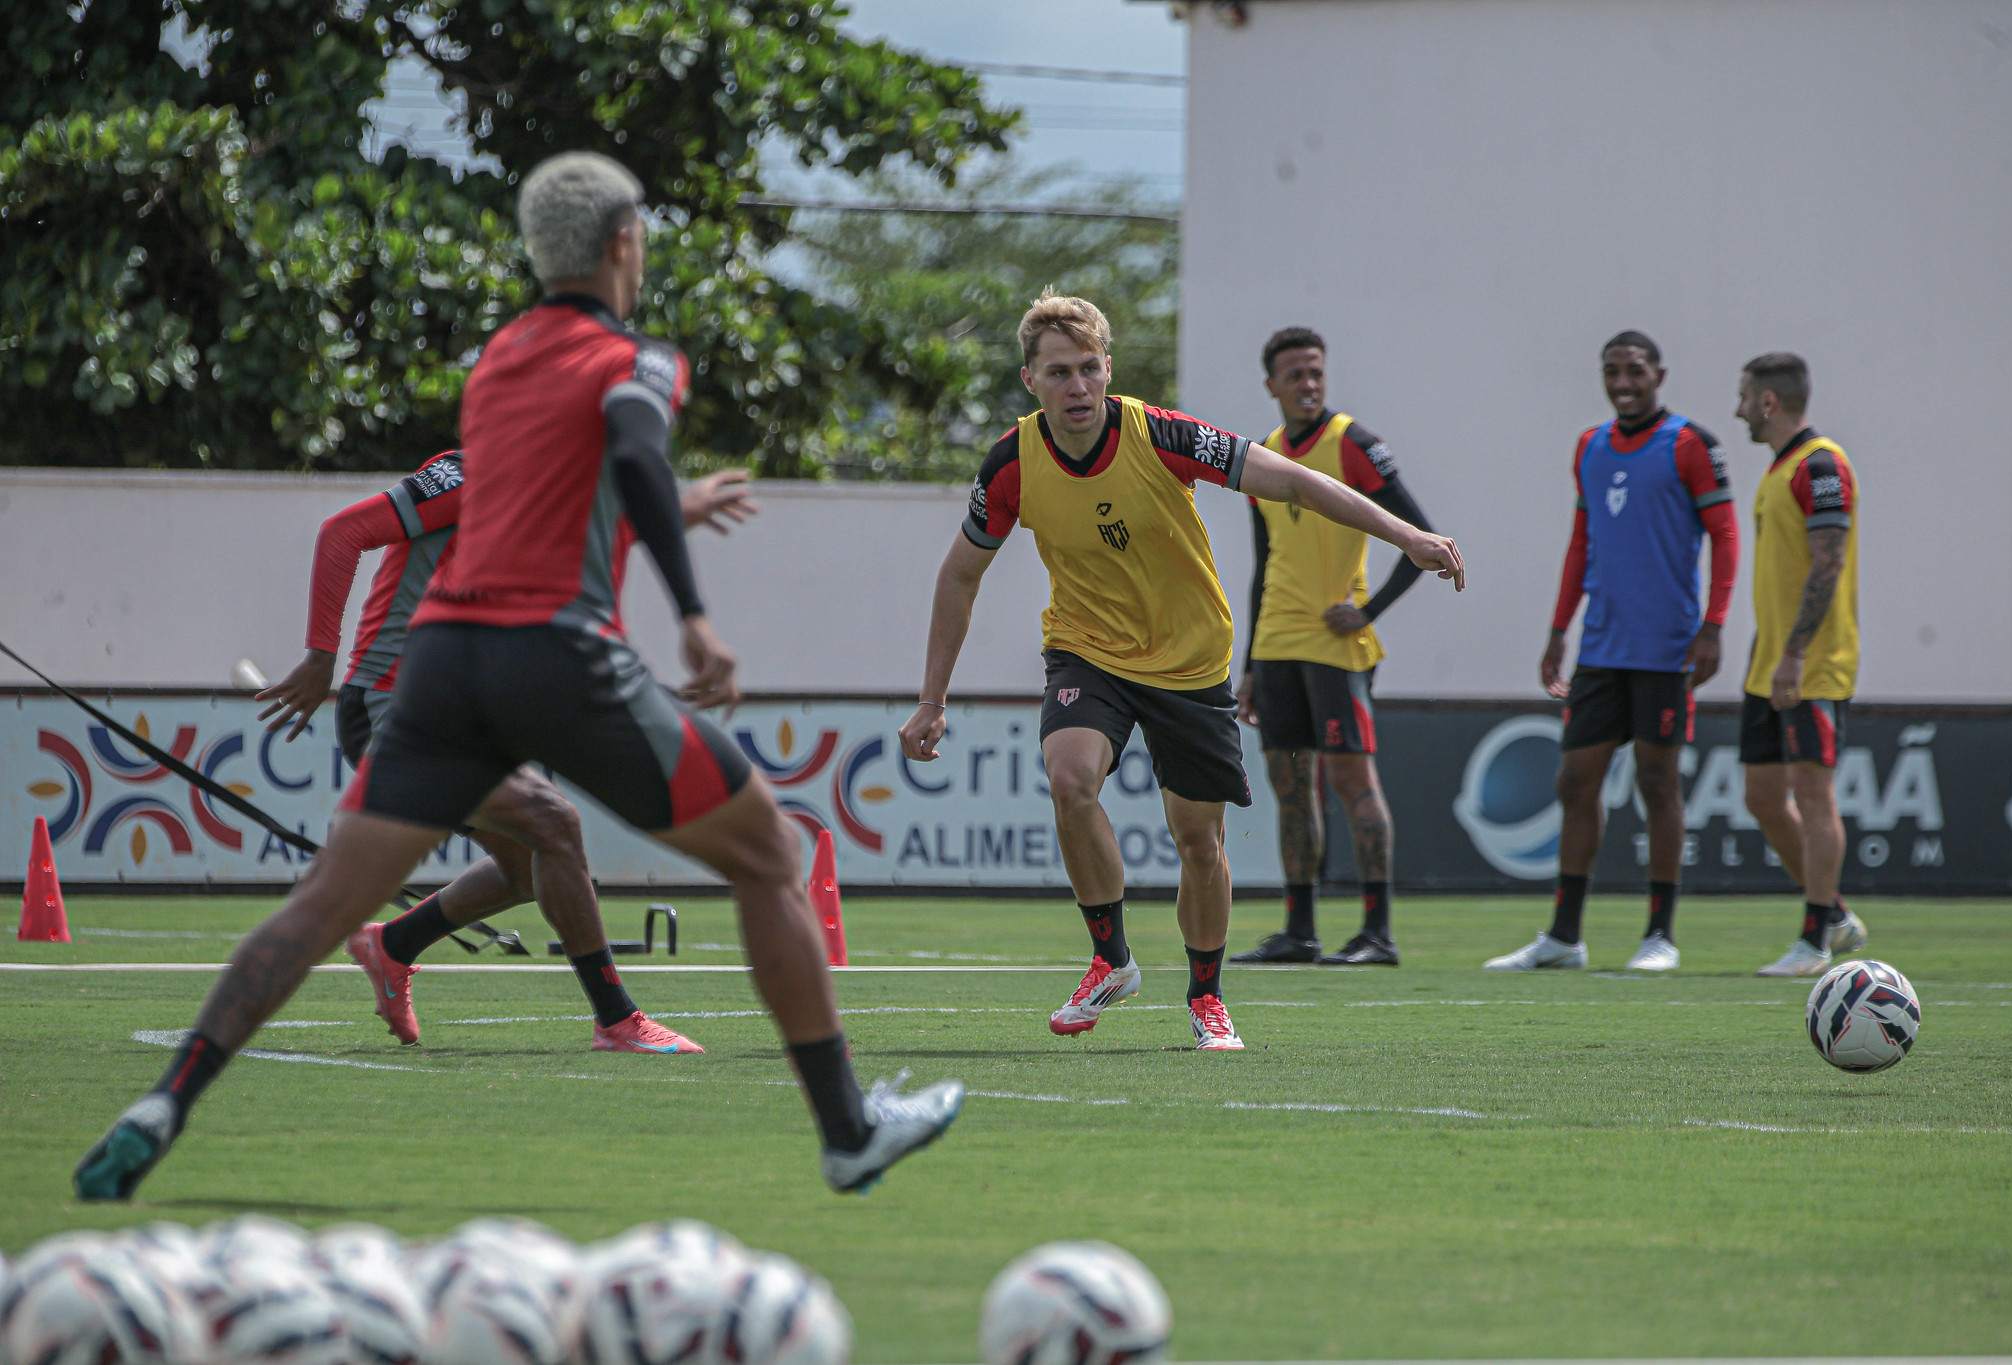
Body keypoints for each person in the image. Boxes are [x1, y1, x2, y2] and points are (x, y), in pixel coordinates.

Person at [75, 151, 962, 1202]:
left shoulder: (496, 360)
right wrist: (693, 614)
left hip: (440, 665)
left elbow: (554, 489)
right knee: (768, 855)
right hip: (556, 652)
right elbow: (630, 460)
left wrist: (669, 510)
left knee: (321, 905)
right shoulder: (638, 360)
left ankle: (165, 1101)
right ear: (624, 242)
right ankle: (847, 1130)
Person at [899, 289, 1463, 1051]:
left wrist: (1406, 534)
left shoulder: (1164, 434)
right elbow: (959, 574)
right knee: (1069, 780)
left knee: (1198, 840)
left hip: (1190, 657)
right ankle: (1110, 957)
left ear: (1108, 369)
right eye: (1058, 373)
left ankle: (1206, 997)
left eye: (1089, 369)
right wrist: (932, 698)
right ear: (1030, 380)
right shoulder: (1012, 464)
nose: (1077, 387)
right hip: (1086, 648)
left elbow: (1294, 480)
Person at [254, 456, 757, 1053]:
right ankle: (618, 1021)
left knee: (527, 869)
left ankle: (392, 945)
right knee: (557, 825)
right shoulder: (470, 474)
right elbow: (343, 533)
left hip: (456, 715)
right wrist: (319, 657)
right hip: (394, 707)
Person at [1485, 331, 1739, 972]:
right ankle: (1564, 938)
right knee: (1574, 781)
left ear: (1659, 373)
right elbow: (1581, 542)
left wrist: (1713, 625)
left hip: (1665, 648)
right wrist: (1558, 629)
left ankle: (1660, 936)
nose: (1622, 383)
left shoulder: (1690, 445)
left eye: (1634, 371)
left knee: (1658, 783)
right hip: (1601, 646)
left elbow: (1727, 537)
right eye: (1611, 372)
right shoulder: (1589, 447)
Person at [1229, 327, 1441, 967]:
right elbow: (1263, 565)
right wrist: (1248, 665)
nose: (1309, 384)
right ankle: (1301, 931)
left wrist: (1368, 612)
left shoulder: (1354, 444)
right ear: (1272, 386)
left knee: (1351, 780)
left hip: (1334, 648)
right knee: (1291, 787)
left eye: (1316, 372)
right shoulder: (1261, 454)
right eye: (1295, 374)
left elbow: (1420, 539)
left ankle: (1377, 932)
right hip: (1275, 648)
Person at [1734, 352, 1868, 976]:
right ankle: (1836, 916)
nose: (1737, 410)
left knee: (1814, 794)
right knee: (1762, 797)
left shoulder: (1821, 465)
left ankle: (1814, 940)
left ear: (1767, 402)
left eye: (1743, 397)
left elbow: (1829, 561)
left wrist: (1794, 653)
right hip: (1770, 666)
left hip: (1808, 667)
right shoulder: (1778, 469)